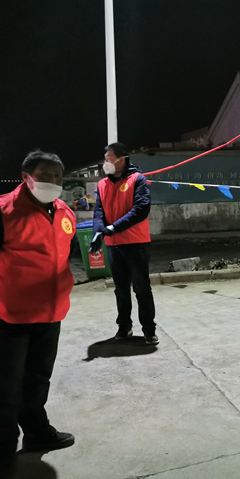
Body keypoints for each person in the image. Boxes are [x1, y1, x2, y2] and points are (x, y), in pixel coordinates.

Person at [0, 150, 76, 479]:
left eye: (57, 175)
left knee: (38, 379)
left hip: (51, 313)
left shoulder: (65, 212)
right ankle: (3, 452)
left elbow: (63, 255)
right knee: (7, 386)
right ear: (26, 177)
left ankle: (37, 432)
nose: (52, 180)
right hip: (12, 316)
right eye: (44, 174)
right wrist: (9, 287)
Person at [91, 142, 157, 343]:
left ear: (122, 159)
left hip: (136, 243)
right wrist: (98, 232)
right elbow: (99, 212)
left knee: (141, 287)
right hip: (113, 245)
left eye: (109, 158)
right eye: (105, 159)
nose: (106, 162)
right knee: (120, 289)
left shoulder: (137, 180)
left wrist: (113, 227)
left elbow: (141, 209)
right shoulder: (102, 185)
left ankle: (149, 329)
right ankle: (124, 326)